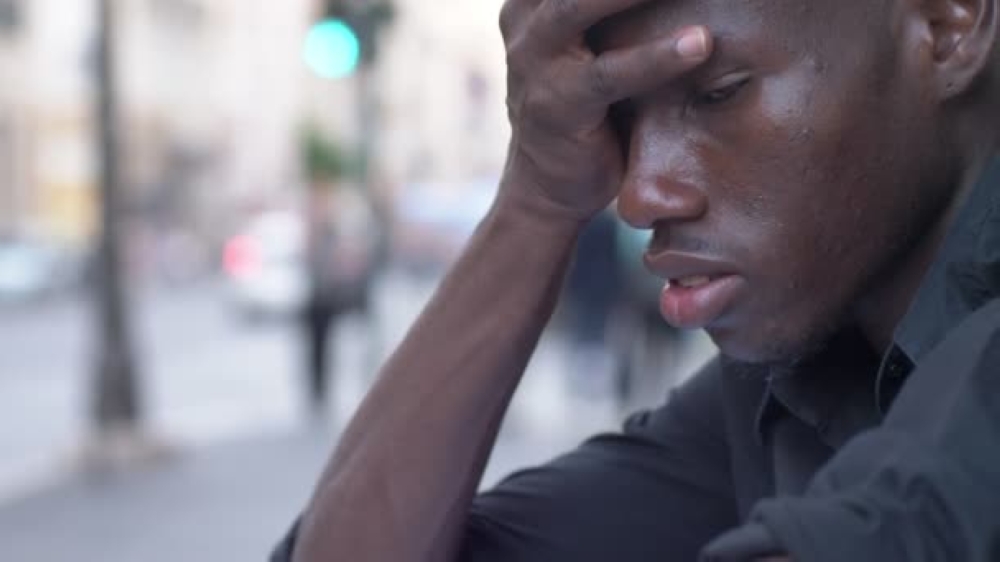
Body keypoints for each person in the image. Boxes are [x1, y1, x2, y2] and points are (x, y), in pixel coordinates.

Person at [273, 0, 1000, 559]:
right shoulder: (787, 388)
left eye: (718, 93)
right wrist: (539, 195)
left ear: (947, 24)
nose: (640, 195)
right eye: (619, 120)